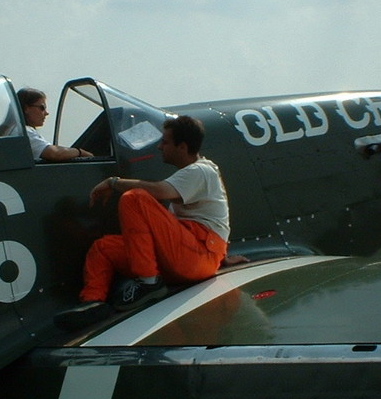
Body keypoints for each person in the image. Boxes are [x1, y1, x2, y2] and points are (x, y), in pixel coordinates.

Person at [54, 115, 230, 331]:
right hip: (186, 255)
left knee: (134, 197)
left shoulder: (201, 170)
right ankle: (92, 303)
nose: (159, 147)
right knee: (103, 248)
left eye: (165, 142)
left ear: (182, 147)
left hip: (197, 256)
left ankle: (148, 283)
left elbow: (160, 192)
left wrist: (114, 182)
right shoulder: (190, 175)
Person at [18, 88, 93, 162]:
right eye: (42, 108)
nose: (46, 113)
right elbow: (54, 154)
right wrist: (80, 152)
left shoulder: (17, 130)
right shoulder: (24, 132)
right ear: (26, 108)